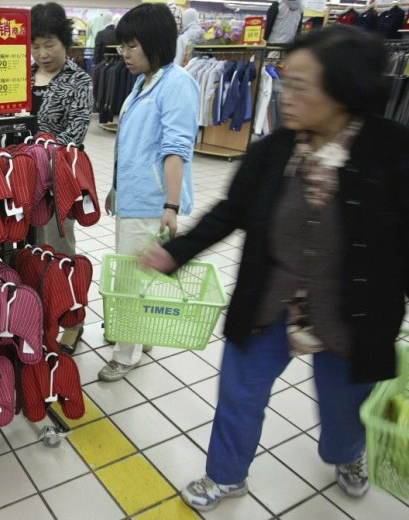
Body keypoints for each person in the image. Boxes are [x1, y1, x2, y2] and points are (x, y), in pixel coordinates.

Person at [139, 25, 409, 511]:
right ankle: (225, 476)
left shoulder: (393, 151)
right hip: (269, 299)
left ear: (343, 92)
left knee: (344, 406)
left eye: (302, 86)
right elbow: (230, 211)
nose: (285, 93)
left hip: (353, 310)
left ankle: (348, 453)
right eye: (286, 79)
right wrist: (176, 252)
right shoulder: (273, 150)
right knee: (239, 392)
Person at [98, 3, 200, 382]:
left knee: (129, 280)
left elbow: (176, 149)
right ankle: (138, 338)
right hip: (132, 197)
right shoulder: (143, 82)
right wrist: (115, 188)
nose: (124, 54)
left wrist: (171, 205)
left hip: (150, 204)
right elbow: (134, 144)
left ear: (156, 43)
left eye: (132, 46)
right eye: (122, 46)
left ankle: (127, 354)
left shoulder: (176, 85)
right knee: (136, 275)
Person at [31, 2, 93, 352]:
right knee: (28, 249)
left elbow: (76, 133)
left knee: (59, 248)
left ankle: (73, 320)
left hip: (58, 180)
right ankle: (37, 313)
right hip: (18, 182)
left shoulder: (78, 80)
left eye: (49, 43)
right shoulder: (20, 75)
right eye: (36, 45)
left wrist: (39, 154)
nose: (42, 53)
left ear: (65, 43)